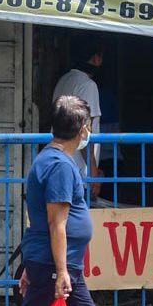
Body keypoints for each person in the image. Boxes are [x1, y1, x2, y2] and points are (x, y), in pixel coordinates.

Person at [0, 96, 153, 306]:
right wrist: (61, 270)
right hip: (57, 264)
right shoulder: (60, 166)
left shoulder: (50, 159)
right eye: (88, 127)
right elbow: (57, 223)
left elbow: (39, 220)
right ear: (83, 129)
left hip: (50, 262)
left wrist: (34, 265)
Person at [52, 35, 104, 196]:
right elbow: (84, 130)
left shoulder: (64, 80)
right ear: (96, 58)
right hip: (79, 173)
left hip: (60, 164)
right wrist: (93, 173)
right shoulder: (88, 85)